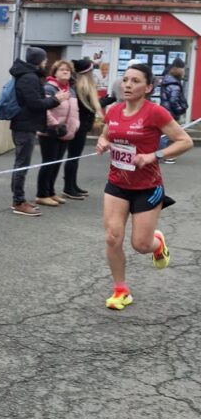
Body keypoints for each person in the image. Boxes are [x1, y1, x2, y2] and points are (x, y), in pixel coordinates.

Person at [95, 62, 192, 310]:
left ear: (148, 87)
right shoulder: (114, 111)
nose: (128, 84)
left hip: (147, 186)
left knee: (140, 245)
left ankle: (157, 243)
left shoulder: (155, 112)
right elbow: (106, 135)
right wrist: (103, 143)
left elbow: (185, 141)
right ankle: (121, 290)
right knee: (112, 237)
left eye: (135, 81)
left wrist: (154, 156)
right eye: (126, 79)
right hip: (117, 183)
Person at [8, 46, 68, 216]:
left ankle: (19, 199)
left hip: (25, 125)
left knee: (21, 164)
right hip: (24, 126)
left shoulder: (29, 76)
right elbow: (35, 104)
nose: (46, 63)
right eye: (44, 60)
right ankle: (18, 201)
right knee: (21, 164)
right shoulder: (29, 78)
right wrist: (56, 100)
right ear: (38, 61)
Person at [35, 59, 79, 207]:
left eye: (68, 69)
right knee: (48, 163)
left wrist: (75, 126)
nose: (65, 71)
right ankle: (42, 194)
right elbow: (45, 110)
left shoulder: (71, 90)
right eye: (61, 69)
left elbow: (74, 111)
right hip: (50, 132)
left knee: (57, 163)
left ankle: (51, 192)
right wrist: (55, 125)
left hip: (65, 132)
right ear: (55, 72)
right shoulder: (49, 88)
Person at [62, 57, 103, 199]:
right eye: (91, 71)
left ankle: (72, 185)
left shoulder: (82, 86)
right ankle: (68, 187)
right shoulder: (81, 87)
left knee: (75, 157)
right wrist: (108, 100)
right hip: (77, 126)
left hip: (81, 126)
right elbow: (88, 107)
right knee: (73, 157)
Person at [158, 58, 188, 162]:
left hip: (165, 110)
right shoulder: (174, 83)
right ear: (179, 69)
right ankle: (163, 155)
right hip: (170, 113)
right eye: (183, 68)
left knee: (164, 135)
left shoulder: (167, 79)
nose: (184, 71)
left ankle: (161, 155)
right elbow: (174, 100)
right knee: (166, 135)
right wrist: (181, 109)